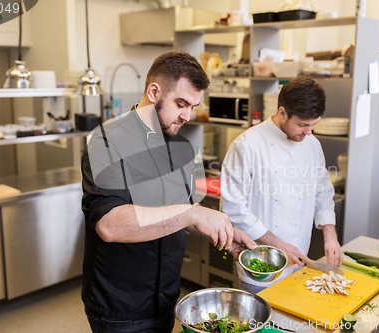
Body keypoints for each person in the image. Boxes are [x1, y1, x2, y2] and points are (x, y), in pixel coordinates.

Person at [81, 51, 256, 333]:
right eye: (181, 103)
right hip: (121, 306)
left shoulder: (180, 146)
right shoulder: (106, 142)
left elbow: (180, 217)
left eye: (193, 106)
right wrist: (193, 212)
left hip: (166, 299)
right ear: (154, 91)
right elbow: (109, 224)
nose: (187, 115)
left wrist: (224, 233)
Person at [220, 75, 343, 294]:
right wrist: (276, 243)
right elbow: (233, 209)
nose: (308, 132)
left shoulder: (312, 144)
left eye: (314, 125)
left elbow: (322, 192)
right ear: (282, 112)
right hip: (260, 267)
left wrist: (330, 236)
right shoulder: (246, 145)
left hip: (299, 262)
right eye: (302, 125)